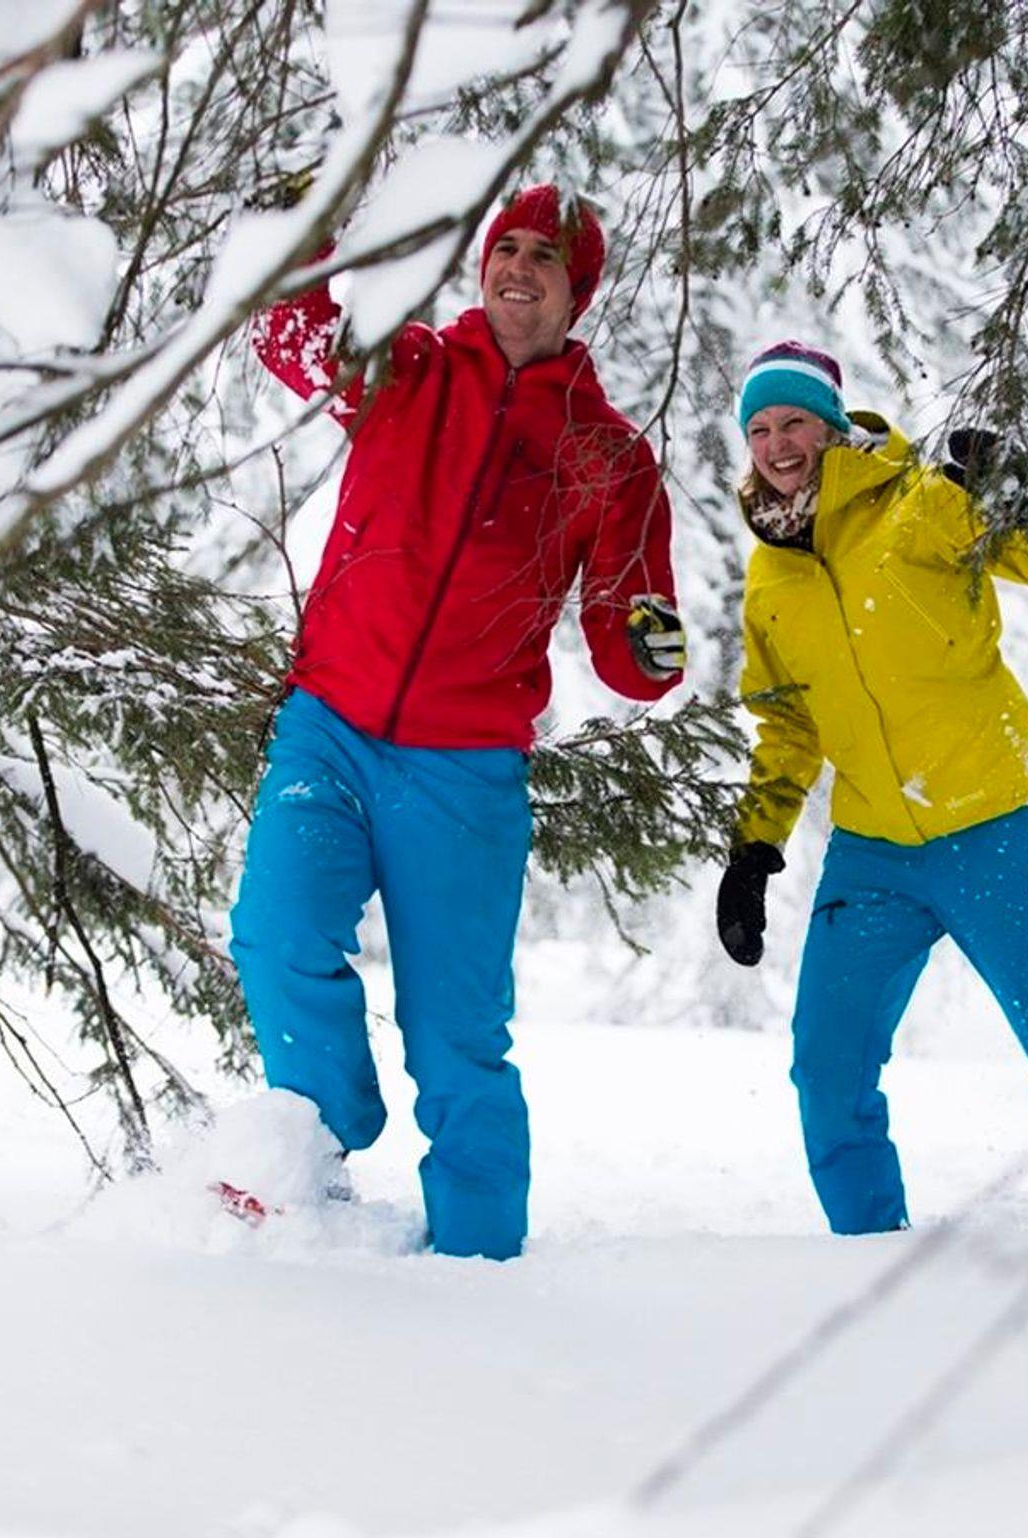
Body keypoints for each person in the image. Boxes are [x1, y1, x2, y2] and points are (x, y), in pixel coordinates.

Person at [231, 186, 687, 1260]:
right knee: (278, 932)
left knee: (456, 1036)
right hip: (330, 722)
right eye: (506, 247)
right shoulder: (410, 369)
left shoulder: (605, 454)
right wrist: (313, 214)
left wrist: (647, 643)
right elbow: (287, 332)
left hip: (464, 771)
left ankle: (481, 1267)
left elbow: (626, 634)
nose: (518, 267)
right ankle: (320, 1143)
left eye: (546, 257)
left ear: (578, 291)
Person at [715, 340, 1028, 1234]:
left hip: (997, 826)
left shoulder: (920, 501)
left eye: (794, 422)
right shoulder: (770, 572)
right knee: (827, 1069)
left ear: (832, 427)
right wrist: (755, 848)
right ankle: (867, 1256)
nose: (777, 445)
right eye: (759, 429)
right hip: (873, 855)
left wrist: (1010, 490)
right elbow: (789, 725)